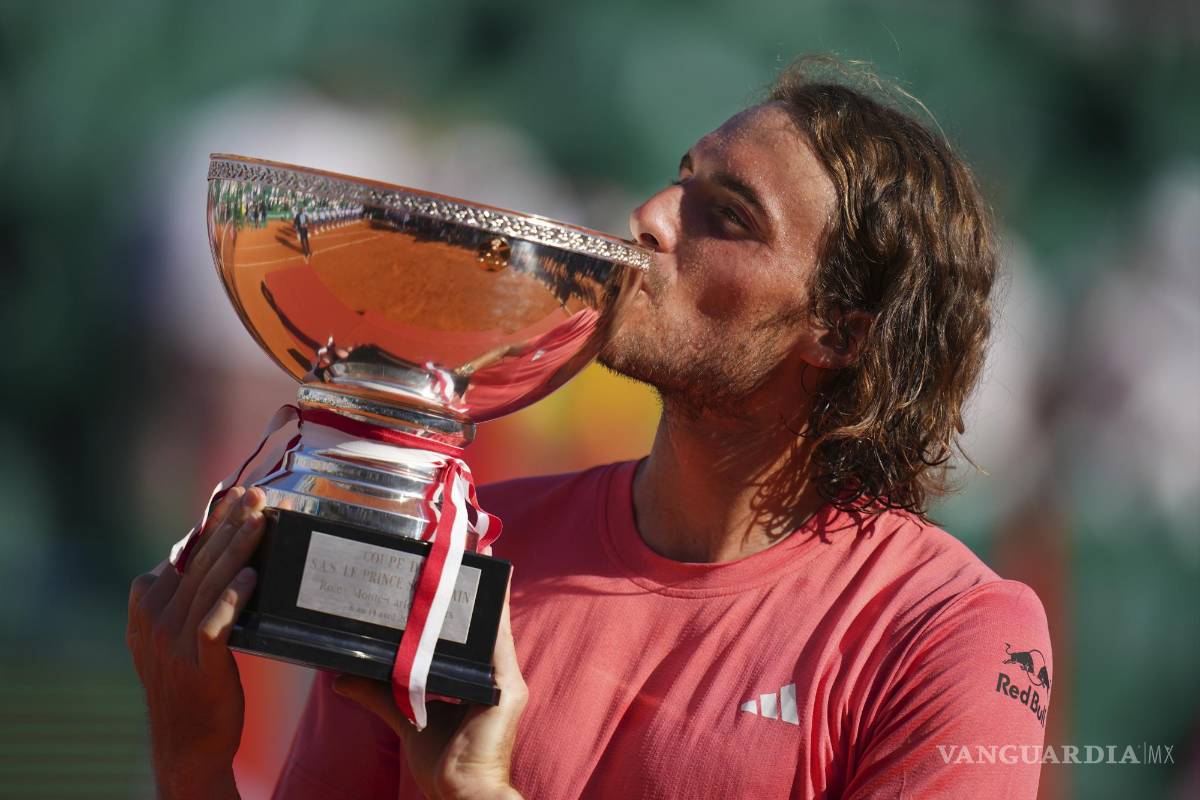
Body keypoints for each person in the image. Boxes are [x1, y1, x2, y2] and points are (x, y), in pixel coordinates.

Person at [128, 57, 1053, 799]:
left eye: (725, 218)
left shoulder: (948, 632)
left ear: (841, 330)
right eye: (680, 180)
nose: (649, 218)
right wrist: (195, 764)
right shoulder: (463, 549)